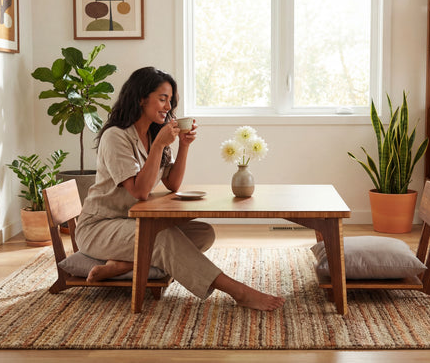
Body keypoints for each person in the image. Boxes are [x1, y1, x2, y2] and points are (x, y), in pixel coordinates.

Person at [75, 67, 285, 311]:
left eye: (170, 100)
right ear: (141, 98)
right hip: (101, 226)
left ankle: (123, 264)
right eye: (162, 98)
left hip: (132, 223)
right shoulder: (116, 137)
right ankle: (238, 291)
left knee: (203, 233)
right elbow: (140, 192)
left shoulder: (155, 134)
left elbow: (172, 184)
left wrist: (183, 146)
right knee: (163, 238)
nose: (168, 106)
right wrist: (159, 146)